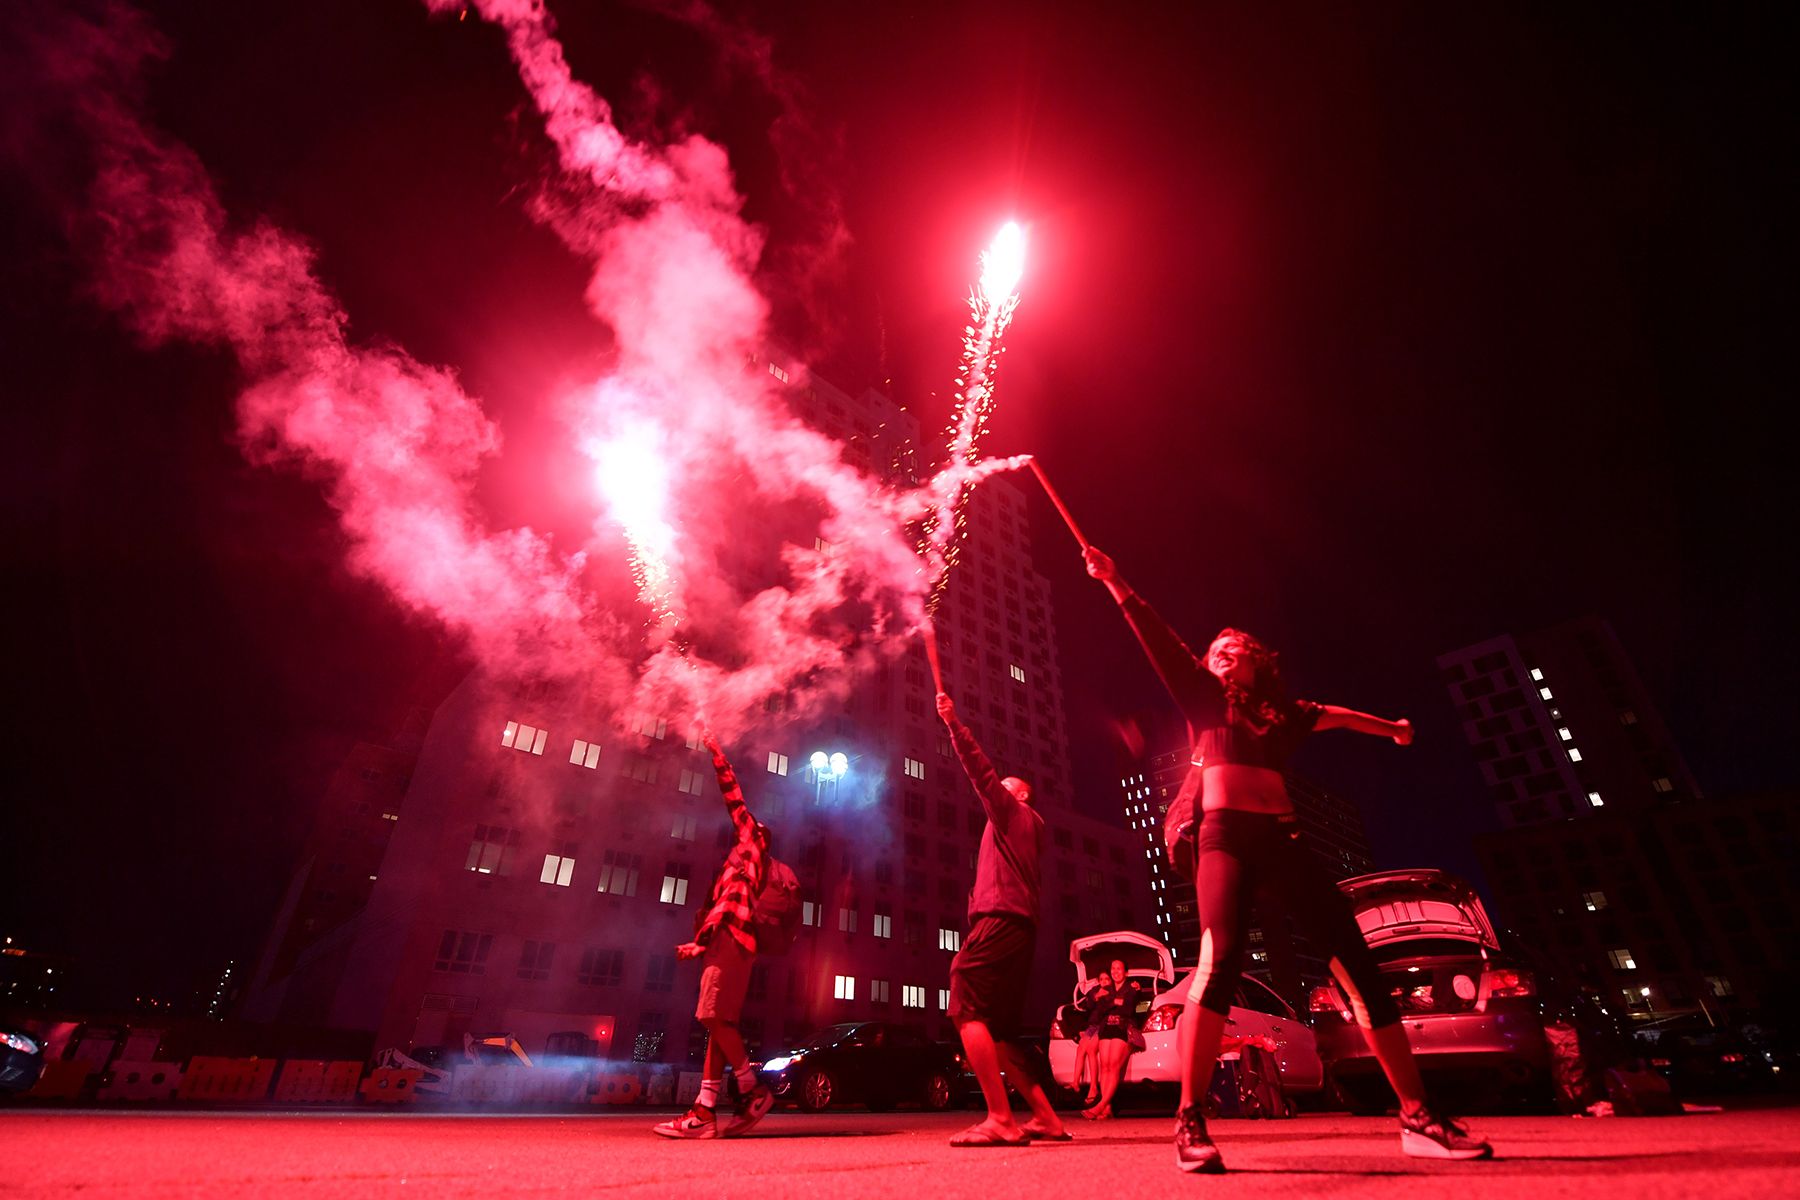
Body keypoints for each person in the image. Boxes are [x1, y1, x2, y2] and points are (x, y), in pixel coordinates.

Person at [1084, 546, 1491, 1171]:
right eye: (1213, 653)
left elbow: (1334, 715)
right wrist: (1117, 582)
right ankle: (1189, 1120)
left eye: (1229, 650)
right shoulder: (1202, 697)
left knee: (1356, 964)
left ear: (1254, 660)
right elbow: (1156, 639)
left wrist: (1395, 728)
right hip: (1225, 840)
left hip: (1285, 842)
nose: (1219, 657)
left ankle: (1418, 1116)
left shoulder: (1283, 714)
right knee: (1217, 965)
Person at [937, 689, 1069, 1146]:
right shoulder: (1023, 831)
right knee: (1002, 1033)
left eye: (1007, 788)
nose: (997, 795)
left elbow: (982, 773)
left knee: (964, 998)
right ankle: (1047, 1118)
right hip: (1020, 926)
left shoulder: (1014, 813)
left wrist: (954, 724)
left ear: (1022, 794)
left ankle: (1000, 1118)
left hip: (1000, 918)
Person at [651, 734, 778, 1140]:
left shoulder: (752, 846)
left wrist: (717, 753)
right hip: (731, 943)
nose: (743, 829)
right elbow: (725, 906)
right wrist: (700, 944)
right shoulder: (741, 868)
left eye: (750, 829)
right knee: (719, 1026)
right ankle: (705, 1112)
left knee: (710, 1016)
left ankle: (751, 1088)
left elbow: (734, 800)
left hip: (732, 943)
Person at [1082, 958, 1142, 1119]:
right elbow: (1100, 1008)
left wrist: (1109, 1002)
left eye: (1119, 968)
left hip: (1122, 1028)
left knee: (1114, 1066)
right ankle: (1107, 1108)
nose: (1115, 971)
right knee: (1105, 1067)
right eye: (1113, 968)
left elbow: (1127, 1009)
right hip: (1106, 1028)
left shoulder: (1132, 988)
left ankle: (1100, 1105)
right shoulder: (1106, 988)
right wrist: (1113, 1001)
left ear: (1126, 972)